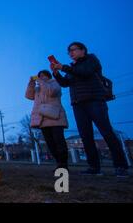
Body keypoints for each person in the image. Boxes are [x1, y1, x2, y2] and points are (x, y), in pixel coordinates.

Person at [51, 42, 129, 177]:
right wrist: (56, 73)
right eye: (69, 51)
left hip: (94, 100)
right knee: (85, 136)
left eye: (73, 50)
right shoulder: (72, 68)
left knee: (106, 131)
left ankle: (121, 166)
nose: (71, 53)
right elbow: (65, 83)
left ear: (83, 50)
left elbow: (85, 73)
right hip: (78, 104)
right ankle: (94, 167)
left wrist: (63, 67)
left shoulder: (91, 60)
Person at [25, 70, 69, 170]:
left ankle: (63, 164)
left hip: (55, 117)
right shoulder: (38, 88)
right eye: (39, 76)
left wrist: (41, 81)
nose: (41, 77)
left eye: (43, 75)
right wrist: (31, 83)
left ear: (48, 76)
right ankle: (59, 163)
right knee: (50, 143)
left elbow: (51, 92)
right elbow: (28, 96)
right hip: (43, 119)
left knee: (59, 141)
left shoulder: (54, 83)